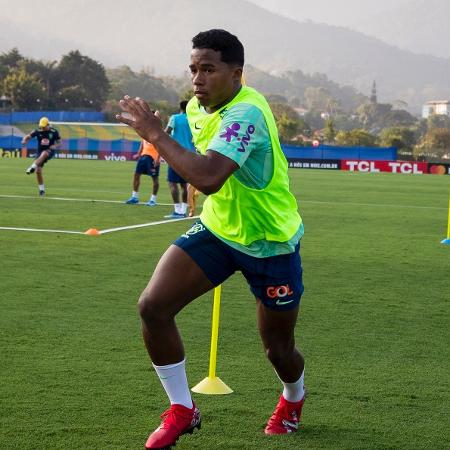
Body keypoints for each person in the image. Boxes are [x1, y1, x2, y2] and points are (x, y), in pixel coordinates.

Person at [117, 29, 306, 450]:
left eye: (208, 69)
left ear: (236, 73)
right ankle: (183, 410)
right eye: (193, 69)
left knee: (278, 349)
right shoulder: (201, 109)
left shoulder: (247, 113)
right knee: (153, 306)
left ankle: (293, 398)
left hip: (270, 242)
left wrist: (154, 134)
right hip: (219, 229)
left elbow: (208, 177)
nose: (197, 79)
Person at [163, 100, 196, 219]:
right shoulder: (193, 119)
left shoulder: (175, 118)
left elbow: (166, 132)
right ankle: (183, 210)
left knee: (172, 182)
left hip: (176, 154)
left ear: (180, 107)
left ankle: (178, 211)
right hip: (190, 155)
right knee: (184, 184)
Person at [22, 117, 61, 196]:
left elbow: (60, 142)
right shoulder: (37, 131)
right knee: (38, 171)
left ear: (48, 125)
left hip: (50, 151)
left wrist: (55, 146)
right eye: (41, 126)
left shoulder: (54, 132)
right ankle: (42, 190)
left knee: (45, 153)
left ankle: (32, 167)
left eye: (44, 126)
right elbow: (28, 136)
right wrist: (24, 140)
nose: (42, 128)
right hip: (39, 153)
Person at [125, 138, 160, 206]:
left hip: (153, 158)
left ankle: (153, 200)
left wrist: (158, 159)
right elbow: (142, 144)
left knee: (155, 179)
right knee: (136, 175)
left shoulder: (156, 134)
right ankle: (134, 197)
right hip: (143, 156)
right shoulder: (144, 133)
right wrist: (138, 154)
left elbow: (160, 147)